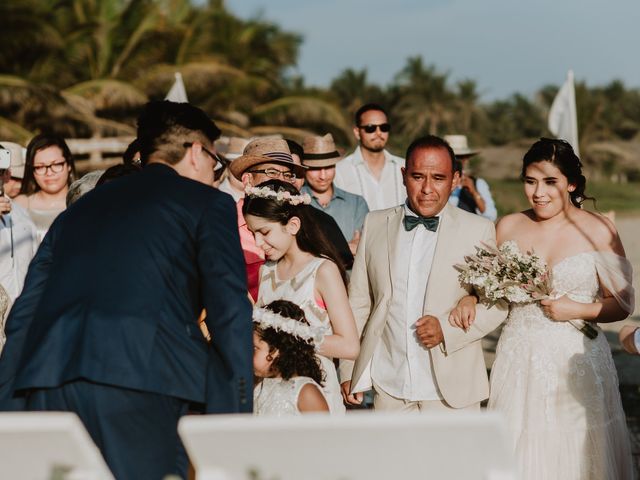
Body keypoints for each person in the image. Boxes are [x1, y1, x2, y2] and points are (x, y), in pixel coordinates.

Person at [0, 100, 253, 480]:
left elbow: (23, 315)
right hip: (147, 380)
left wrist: (8, 404)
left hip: (50, 383)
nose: (215, 176)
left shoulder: (77, 212)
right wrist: (233, 418)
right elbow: (230, 313)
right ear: (198, 152)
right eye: (216, 165)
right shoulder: (208, 204)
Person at [451, 138, 635, 479]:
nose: (539, 193)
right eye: (530, 181)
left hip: (577, 364)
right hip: (519, 360)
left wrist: (576, 309)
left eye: (550, 182)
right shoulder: (507, 226)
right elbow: (490, 289)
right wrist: (469, 297)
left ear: (571, 183)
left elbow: (621, 305)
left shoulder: (597, 229)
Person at [339, 135, 507, 412]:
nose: (427, 188)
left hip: (452, 390)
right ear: (404, 175)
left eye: (438, 178)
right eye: (418, 176)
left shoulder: (478, 230)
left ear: (454, 180)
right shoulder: (375, 223)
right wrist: (348, 369)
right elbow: (359, 302)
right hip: (388, 386)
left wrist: (447, 329)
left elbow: (497, 304)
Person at [243, 180, 359, 414]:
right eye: (252, 233)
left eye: (264, 232)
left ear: (293, 225)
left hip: (313, 393)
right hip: (271, 392)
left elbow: (349, 346)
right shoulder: (267, 271)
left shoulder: (322, 270)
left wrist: (292, 337)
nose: (257, 242)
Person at [253, 300, 329, 415]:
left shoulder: (306, 393)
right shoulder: (258, 387)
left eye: (254, 348)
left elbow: (326, 432)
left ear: (276, 350)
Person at [302, 134, 369, 255]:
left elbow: (367, 248)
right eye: (315, 168)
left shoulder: (356, 203)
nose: (323, 176)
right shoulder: (294, 200)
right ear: (304, 168)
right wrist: (345, 249)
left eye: (328, 167)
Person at [334, 103, 405, 211]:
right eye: (370, 128)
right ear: (357, 132)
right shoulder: (340, 172)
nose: (378, 133)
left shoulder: (405, 167)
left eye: (384, 127)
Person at [14, 134, 76, 242]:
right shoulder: (20, 205)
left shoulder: (85, 200)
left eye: (56, 164)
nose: (49, 173)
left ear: (69, 164)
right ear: (31, 170)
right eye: (40, 167)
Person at [445, 135, 497, 221]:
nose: (457, 162)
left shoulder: (478, 183)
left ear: (466, 159)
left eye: (461, 158)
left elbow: (491, 215)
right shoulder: (437, 183)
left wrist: (473, 192)